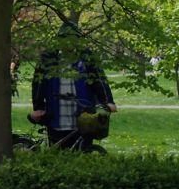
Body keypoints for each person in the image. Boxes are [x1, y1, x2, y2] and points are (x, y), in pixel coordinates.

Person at [30, 22, 117, 150]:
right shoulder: (48, 58)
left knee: (84, 152)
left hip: (84, 118)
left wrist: (108, 101)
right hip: (56, 117)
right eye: (65, 38)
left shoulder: (87, 57)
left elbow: (99, 80)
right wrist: (38, 107)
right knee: (57, 153)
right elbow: (38, 83)